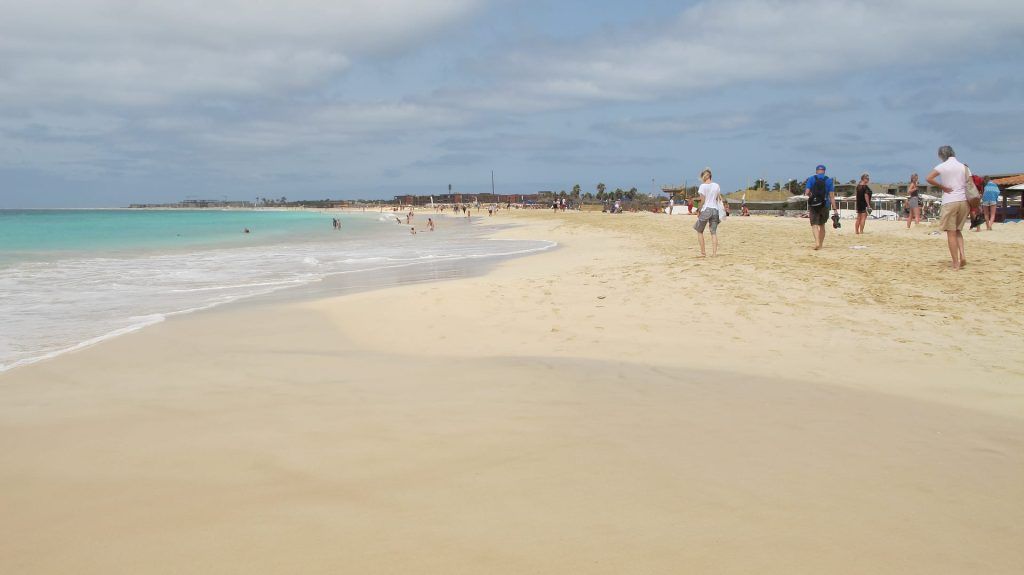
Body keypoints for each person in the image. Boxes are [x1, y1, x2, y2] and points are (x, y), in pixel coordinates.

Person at [926, 145, 968, 270]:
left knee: (951, 233)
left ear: (941, 155)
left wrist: (942, 187)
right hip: (963, 201)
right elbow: (969, 183)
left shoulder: (942, 166)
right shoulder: (963, 167)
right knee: (958, 230)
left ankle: (955, 263)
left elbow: (928, 178)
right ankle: (962, 255)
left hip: (950, 201)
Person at [804, 164, 836, 250]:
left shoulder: (811, 179)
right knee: (822, 225)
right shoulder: (829, 180)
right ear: (824, 171)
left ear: (816, 171)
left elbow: (807, 192)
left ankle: (817, 242)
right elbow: (832, 197)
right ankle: (821, 244)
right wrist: (835, 209)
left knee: (814, 225)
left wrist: (812, 197)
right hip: (825, 204)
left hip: (814, 205)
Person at [693, 168, 724, 257]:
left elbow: (702, 201)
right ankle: (714, 254)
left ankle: (703, 253)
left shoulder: (702, 186)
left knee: (699, 230)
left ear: (704, 176)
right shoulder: (716, 186)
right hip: (715, 210)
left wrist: (698, 210)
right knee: (713, 232)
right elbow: (718, 198)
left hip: (706, 209)